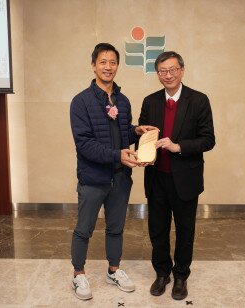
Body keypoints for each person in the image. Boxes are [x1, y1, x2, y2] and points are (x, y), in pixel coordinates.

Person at [69, 43, 155, 300]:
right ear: (93, 65)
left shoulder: (123, 100)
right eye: (103, 62)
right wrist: (117, 154)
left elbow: (120, 134)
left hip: (120, 177)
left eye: (113, 62)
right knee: (84, 229)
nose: (108, 67)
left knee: (116, 228)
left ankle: (113, 269)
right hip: (93, 178)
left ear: (118, 65)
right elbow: (84, 144)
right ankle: (78, 274)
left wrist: (136, 131)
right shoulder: (81, 101)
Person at [138, 51, 215, 300]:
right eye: (162, 71)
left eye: (172, 70)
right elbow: (143, 135)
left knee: (185, 231)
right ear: (157, 74)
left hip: (185, 179)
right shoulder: (150, 101)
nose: (168, 75)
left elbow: (208, 140)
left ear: (181, 70)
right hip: (156, 177)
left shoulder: (199, 100)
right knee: (157, 230)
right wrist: (140, 135)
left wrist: (178, 146)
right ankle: (162, 273)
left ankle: (181, 276)